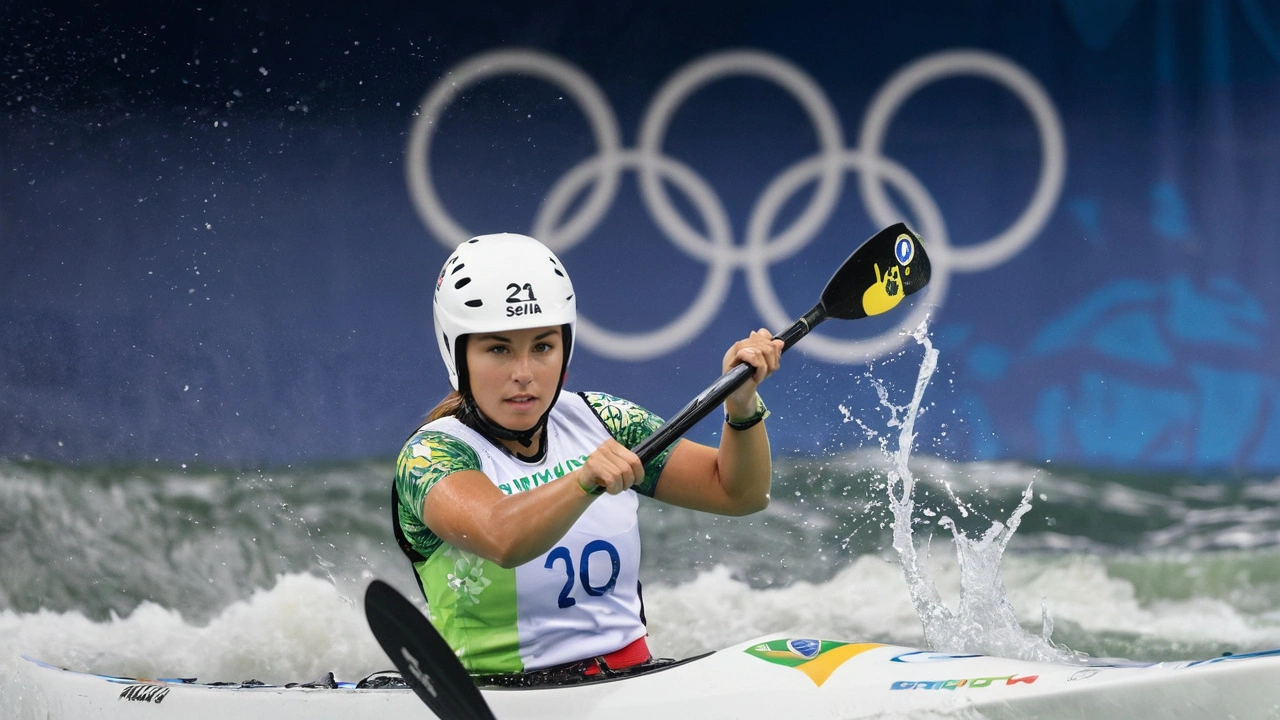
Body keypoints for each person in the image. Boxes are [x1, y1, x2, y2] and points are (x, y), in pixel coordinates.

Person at [392, 232, 783, 685]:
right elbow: (501, 536)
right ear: (457, 353)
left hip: (631, 683)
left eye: (542, 347)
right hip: (496, 698)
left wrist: (742, 406)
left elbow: (740, 493)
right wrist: (582, 481)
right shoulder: (431, 455)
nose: (524, 374)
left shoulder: (602, 419)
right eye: (498, 349)